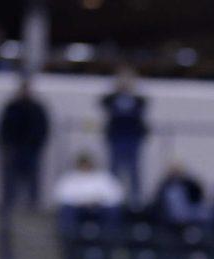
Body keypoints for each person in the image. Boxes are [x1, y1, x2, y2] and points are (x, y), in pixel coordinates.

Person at [0, 76, 50, 210]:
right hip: (14, 148)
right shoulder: (11, 107)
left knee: (32, 179)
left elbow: (43, 128)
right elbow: (3, 128)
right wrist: (6, 145)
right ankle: (9, 204)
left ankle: (33, 204)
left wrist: (36, 144)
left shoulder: (37, 108)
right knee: (10, 179)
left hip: (31, 149)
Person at [100, 67, 148, 205]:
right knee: (114, 169)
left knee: (134, 170)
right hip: (116, 138)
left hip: (133, 138)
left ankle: (136, 200)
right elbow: (103, 102)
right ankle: (112, 198)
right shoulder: (111, 99)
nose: (125, 83)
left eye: (128, 81)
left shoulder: (138, 100)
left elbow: (142, 109)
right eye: (122, 80)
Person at [53, 152, 124, 232]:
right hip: (77, 208)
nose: (85, 166)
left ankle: (110, 237)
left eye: (87, 163)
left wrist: (99, 201)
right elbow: (61, 196)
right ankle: (70, 238)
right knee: (67, 210)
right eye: (83, 163)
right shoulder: (69, 177)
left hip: (100, 207)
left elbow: (116, 194)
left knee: (113, 210)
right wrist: (80, 202)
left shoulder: (103, 176)